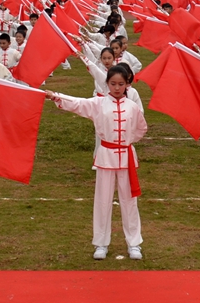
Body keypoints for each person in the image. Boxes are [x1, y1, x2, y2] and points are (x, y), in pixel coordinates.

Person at [47, 65, 148, 261]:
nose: (117, 88)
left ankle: (134, 243)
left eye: (121, 84)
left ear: (127, 84)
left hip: (126, 158)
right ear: (107, 84)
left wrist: (126, 142)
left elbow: (140, 128)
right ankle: (101, 243)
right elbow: (77, 103)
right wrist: (55, 96)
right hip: (106, 157)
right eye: (112, 84)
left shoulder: (133, 106)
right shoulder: (98, 104)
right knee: (102, 201)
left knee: (129, 202)